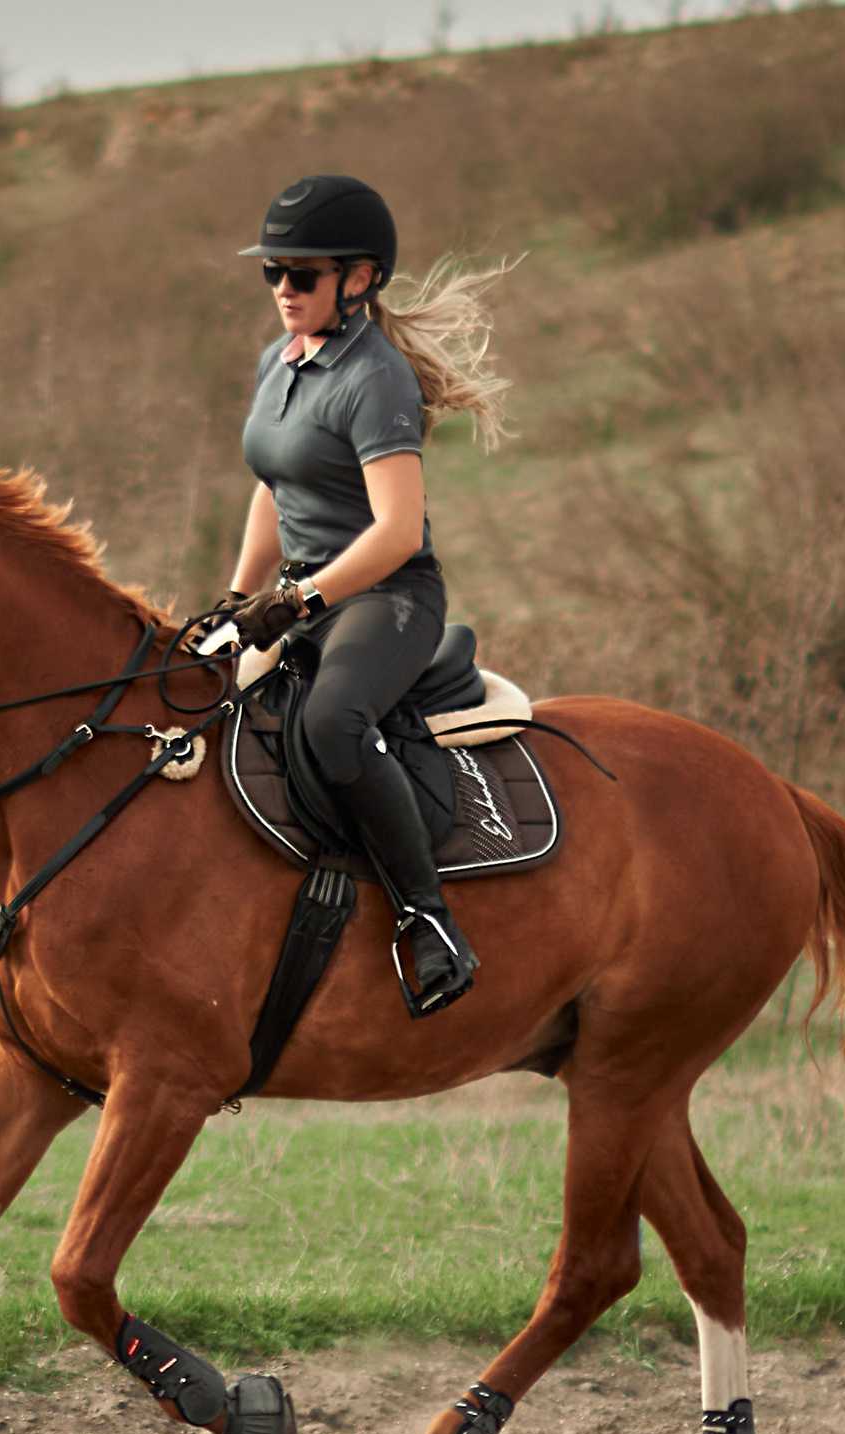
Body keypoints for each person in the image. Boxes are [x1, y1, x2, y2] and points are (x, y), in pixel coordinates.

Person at [218, 173, 512, 1016]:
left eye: (300, 275)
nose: (282, 290)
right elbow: (274, 484)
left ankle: (430, 921)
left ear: (357, 279)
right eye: (272, 272)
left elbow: (394, 532)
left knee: (331, 721)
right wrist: (236, 602)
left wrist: (298, 602)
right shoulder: (279, 362)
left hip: (387, 599)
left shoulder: (377, 379)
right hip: (300, 595)